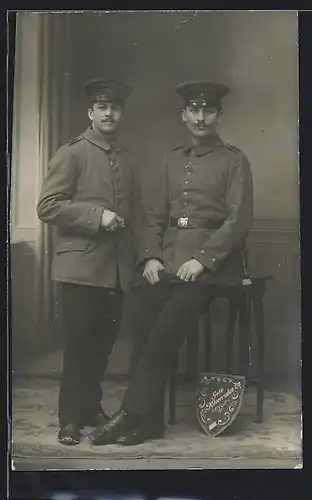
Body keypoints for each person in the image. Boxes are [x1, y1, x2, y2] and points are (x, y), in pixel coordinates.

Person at [88, 80, 254, 446]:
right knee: (144, 315)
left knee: (167, 327)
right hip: (170, 264)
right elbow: (152, 217)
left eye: (207, 110)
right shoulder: (172, 161)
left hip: (212, 269)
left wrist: (202, 260)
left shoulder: (234, 160)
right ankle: (150, 424)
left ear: (218, 116)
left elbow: (238, 220)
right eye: (193, 110)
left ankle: (130, 412)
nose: (200, 117)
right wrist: (149, 257)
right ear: (183, 115)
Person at [37, 77, 141, 445]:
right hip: (80, 270)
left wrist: (141, 260)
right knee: (79, 346)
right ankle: (69, 419)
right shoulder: (72, 152)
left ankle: (91, 406)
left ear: (121, 113)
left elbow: (136, 215)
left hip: (115, 272)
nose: (109, 113)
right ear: (90, 112)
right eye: (102, 107)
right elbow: (47, 207)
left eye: (115, 107)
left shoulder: (126, 158)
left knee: (102, 346)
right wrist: (97, 216)